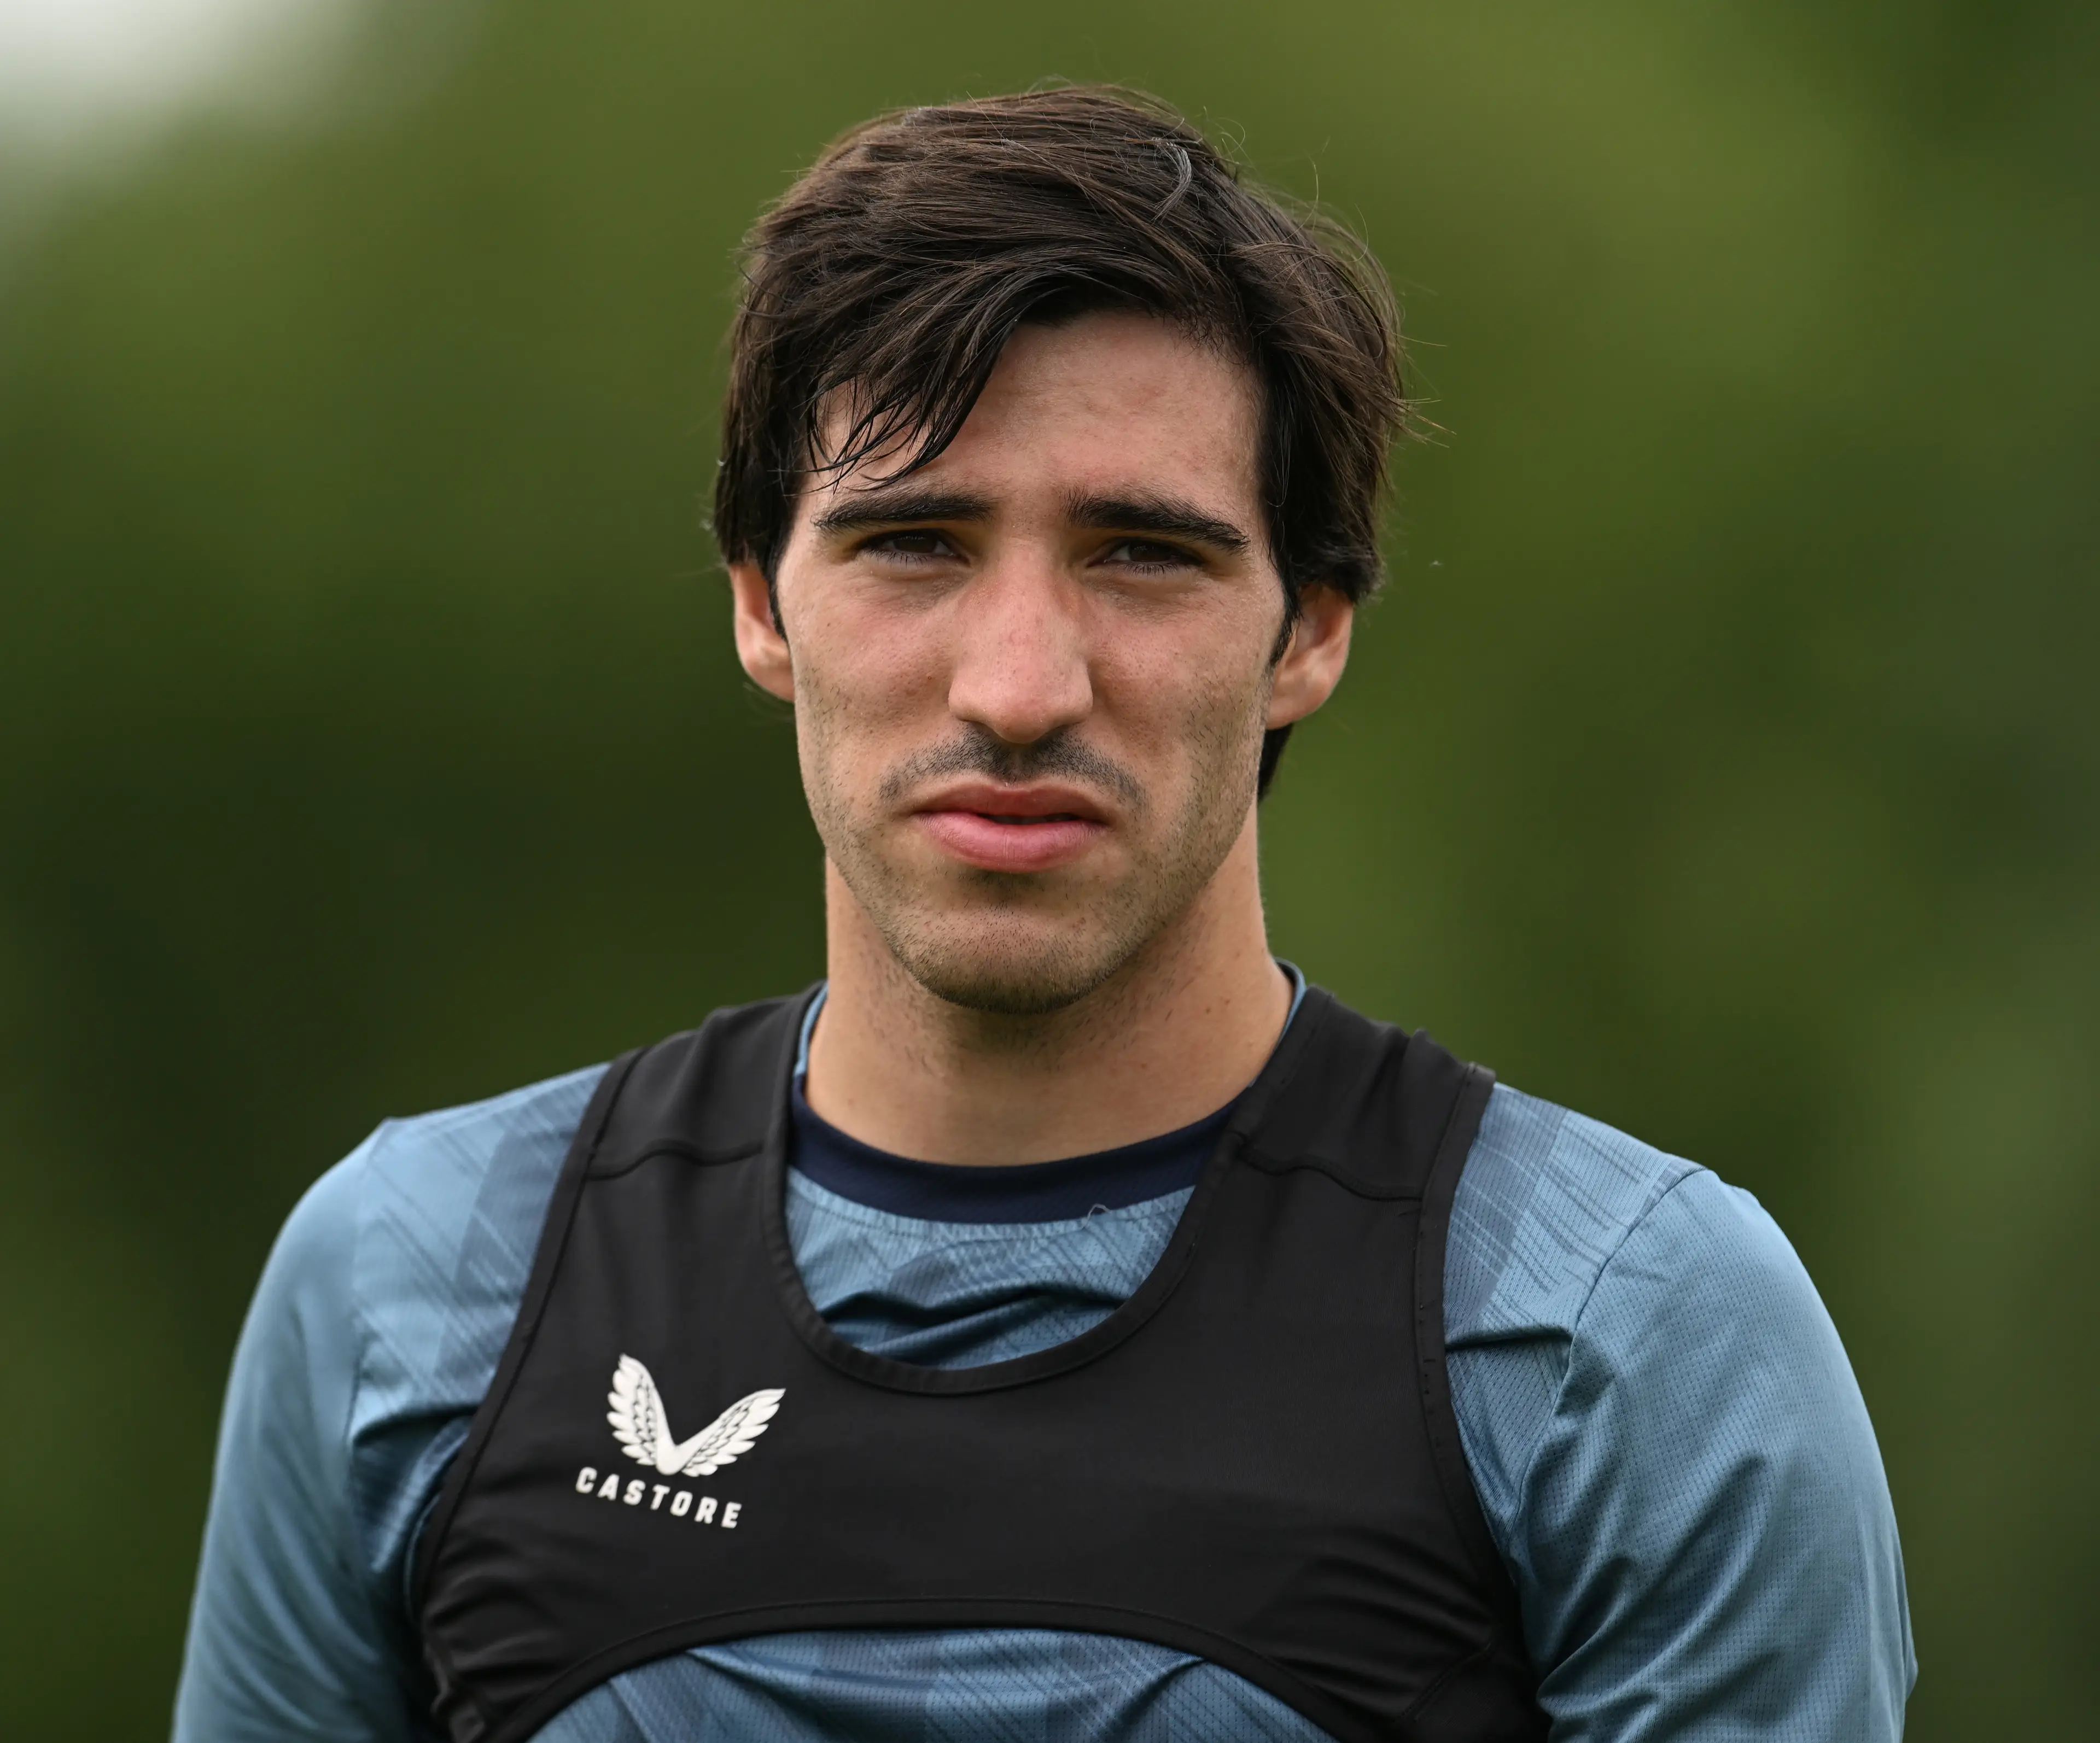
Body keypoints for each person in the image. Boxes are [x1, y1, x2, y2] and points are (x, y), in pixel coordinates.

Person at [173, 86, 1914, 1743]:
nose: (1016, 683)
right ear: (760, 604)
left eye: (1141, 551)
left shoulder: (1626, 1334)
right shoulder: (412, 1280)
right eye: (913, 541)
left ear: (1309, 628)